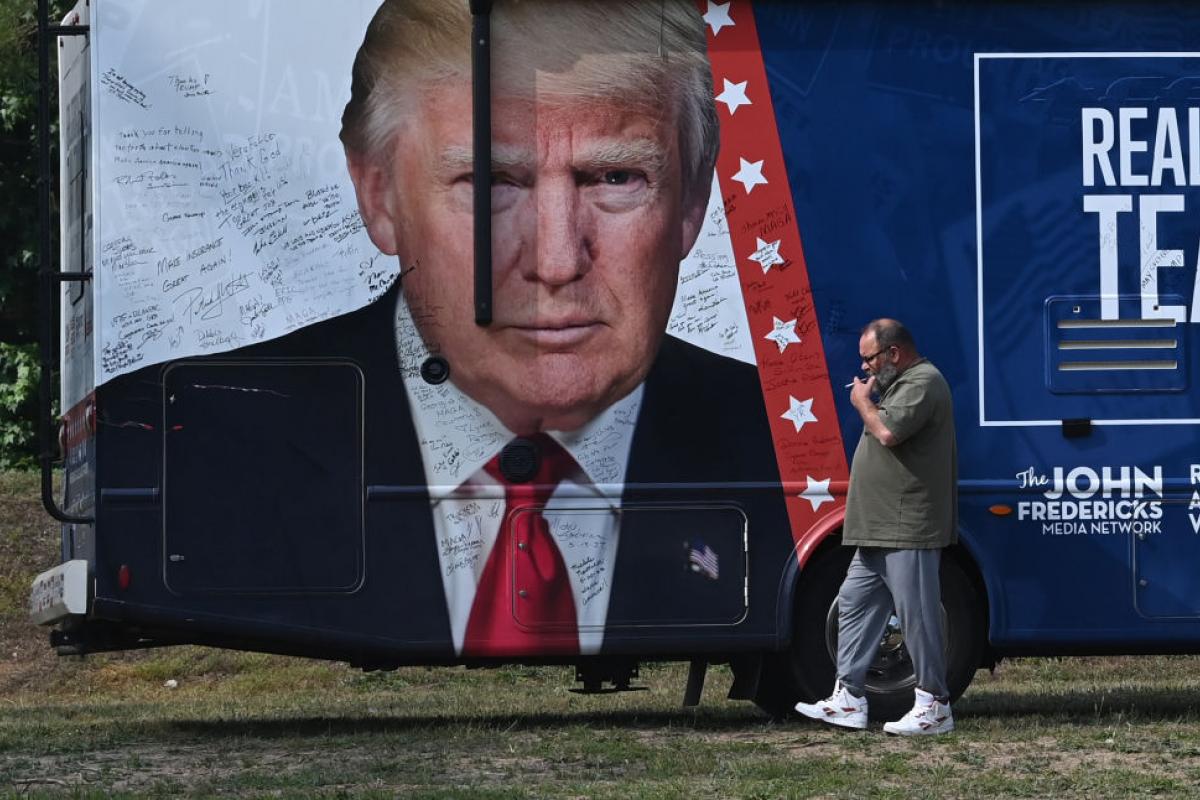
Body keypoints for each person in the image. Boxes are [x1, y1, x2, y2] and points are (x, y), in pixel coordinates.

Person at [231, 0, 792, 659]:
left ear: (693, 202)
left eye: (615, 177)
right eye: (491, 181)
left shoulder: (801, 451)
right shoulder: (213, 442)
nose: (555, 261)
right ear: (377, 195)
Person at [794, 319, 958, 735]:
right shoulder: (897, 384)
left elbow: (887, 432)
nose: (865, 368)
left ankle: (934, 706)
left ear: (894, 353)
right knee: (852, 604)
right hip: (878, 527)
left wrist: (861, 402)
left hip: (907, 525)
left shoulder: (923, 381)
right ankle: (849, 698)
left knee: (917, 615)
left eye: (870, 359)